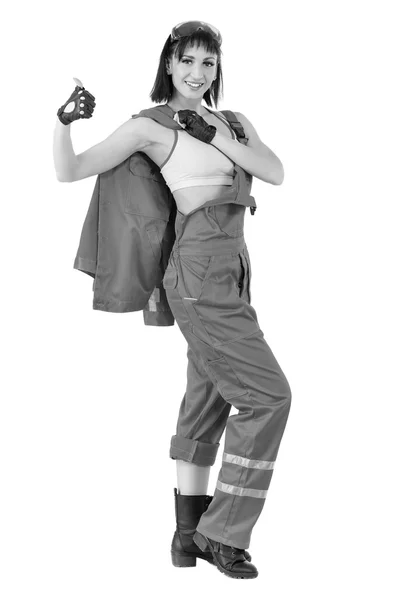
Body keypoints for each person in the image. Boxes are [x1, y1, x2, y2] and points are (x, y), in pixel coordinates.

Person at [53, 20, 292, 580]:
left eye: (208, 63)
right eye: (187, 60)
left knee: (208, 395)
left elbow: (275, 172)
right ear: (168, 63)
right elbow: (70, 171)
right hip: (198, 273)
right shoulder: (151, 127)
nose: (197, 72)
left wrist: (215, 137)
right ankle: (220, 534)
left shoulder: (233, 123)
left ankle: (187, 537)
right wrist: (62, 125)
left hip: (233, 270)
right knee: (268, 395)